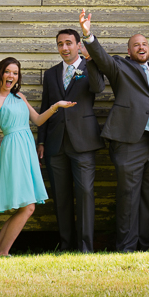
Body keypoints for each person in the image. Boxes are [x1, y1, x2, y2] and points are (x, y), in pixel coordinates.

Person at [0, 57, 75, 256]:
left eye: (15, 73)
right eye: (8, 72)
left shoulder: (20, 97)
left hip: (27, 149)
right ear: (0, 74)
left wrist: (56, 106)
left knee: (26, 206)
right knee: (28, 207)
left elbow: (39, 120)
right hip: (13, 150)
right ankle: (2, 252)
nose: (11, 76)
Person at [79, 10, 149, 252]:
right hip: (129, 142)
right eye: (136, 45)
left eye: (145, 44)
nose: (141, 47)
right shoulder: (119, 67)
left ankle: (146, 246)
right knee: (128, 197)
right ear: (129, 51)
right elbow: (102, 59)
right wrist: (87, 34)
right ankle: (126, 248)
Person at [37, 30, 105, 253]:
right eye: (60, 44)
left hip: (83, 142)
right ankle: (66, 246)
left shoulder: (88, 68)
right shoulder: (50, 74)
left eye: (68, 43)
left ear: (78, 45)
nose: (64, 48)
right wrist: (42, 141)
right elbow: (45, 108)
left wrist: (91, 60)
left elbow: (98, 88)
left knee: (85, 194)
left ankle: (85, 247)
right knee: (61, 197)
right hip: (56, 145)